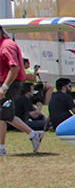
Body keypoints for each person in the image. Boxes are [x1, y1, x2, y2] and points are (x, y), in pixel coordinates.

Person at [0, 24, 44, 154]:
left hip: (10, 83)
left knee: (4, 115)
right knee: (5, 116)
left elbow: (15, 68)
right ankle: (32, 135)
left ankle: (32, 134)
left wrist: (5, 87)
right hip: (6, 82)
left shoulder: (7, 45)